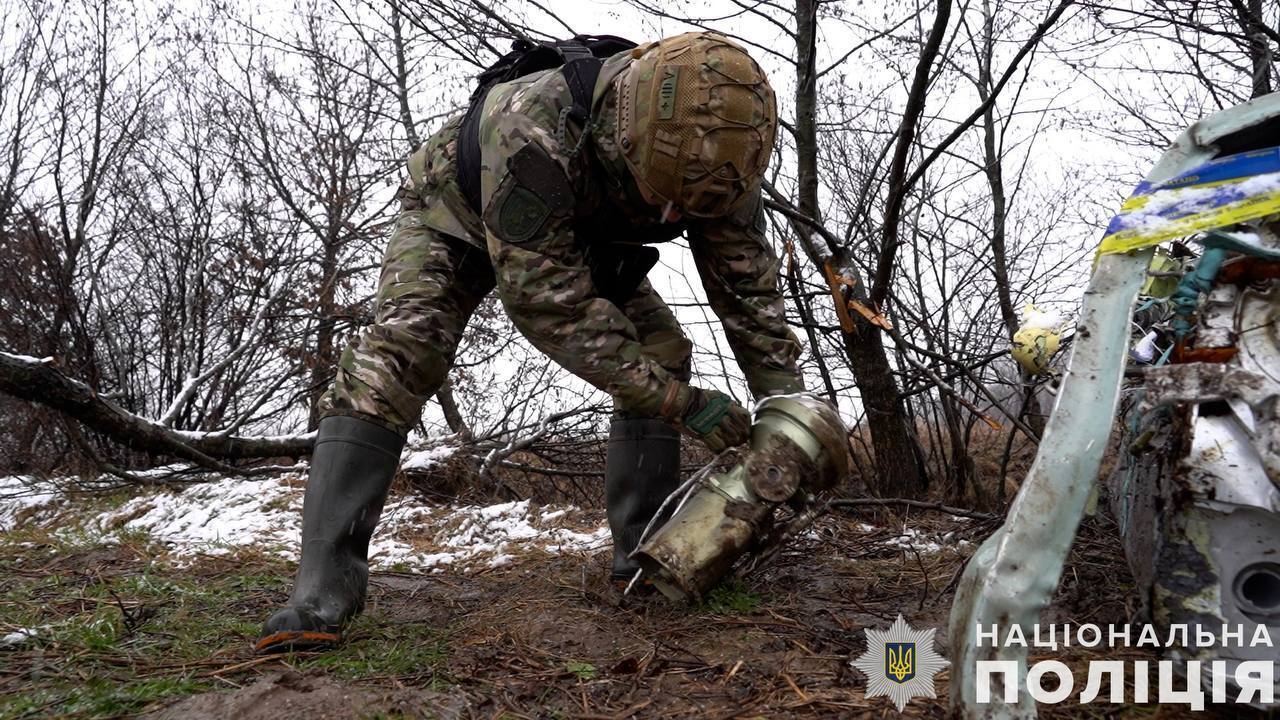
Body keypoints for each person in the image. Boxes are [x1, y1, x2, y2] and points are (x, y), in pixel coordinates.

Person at [256, 31, 806, 653]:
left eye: (691, 209)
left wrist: (786, 409)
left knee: (659, 351)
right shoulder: (532, 131)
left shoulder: (718, 159)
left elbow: (748, 292)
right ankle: (321, 592)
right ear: (625, 140)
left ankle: (644, 562)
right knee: (401, 354)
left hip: (579, 231)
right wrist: (684, 405)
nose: (678, 220)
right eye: (666, 202)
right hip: (456, 213)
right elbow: (550, 307)